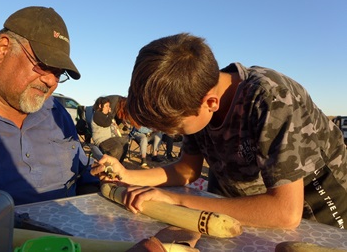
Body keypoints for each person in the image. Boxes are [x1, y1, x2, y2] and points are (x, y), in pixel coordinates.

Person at [92, 33, 347, 230]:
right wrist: (127, 175)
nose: (174, 134)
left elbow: (285, 212)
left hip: (316, 205)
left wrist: (177, 200)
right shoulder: (191, 92)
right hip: (241, 203)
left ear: (210, 103)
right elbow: (187, 170)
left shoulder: (271, 99)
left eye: (177, 128)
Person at [0, 6, 99, 205]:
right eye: (43, 65)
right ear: (3, 50)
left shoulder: (57, 112)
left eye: (58, 73)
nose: (51, 81)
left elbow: (85, 175)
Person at [91, 97, 129, 163]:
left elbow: (114, 126)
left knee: (125, 142)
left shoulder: (105, 115)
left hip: (109, 138)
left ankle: (119, 164)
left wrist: (123, 125)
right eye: (106, 106)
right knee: (118, 148)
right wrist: (110, 114)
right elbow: (106, 123)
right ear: (100, 106)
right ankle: (111, 166)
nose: (108, 108)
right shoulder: (97, 114)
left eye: (109, 106)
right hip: (101, 140)